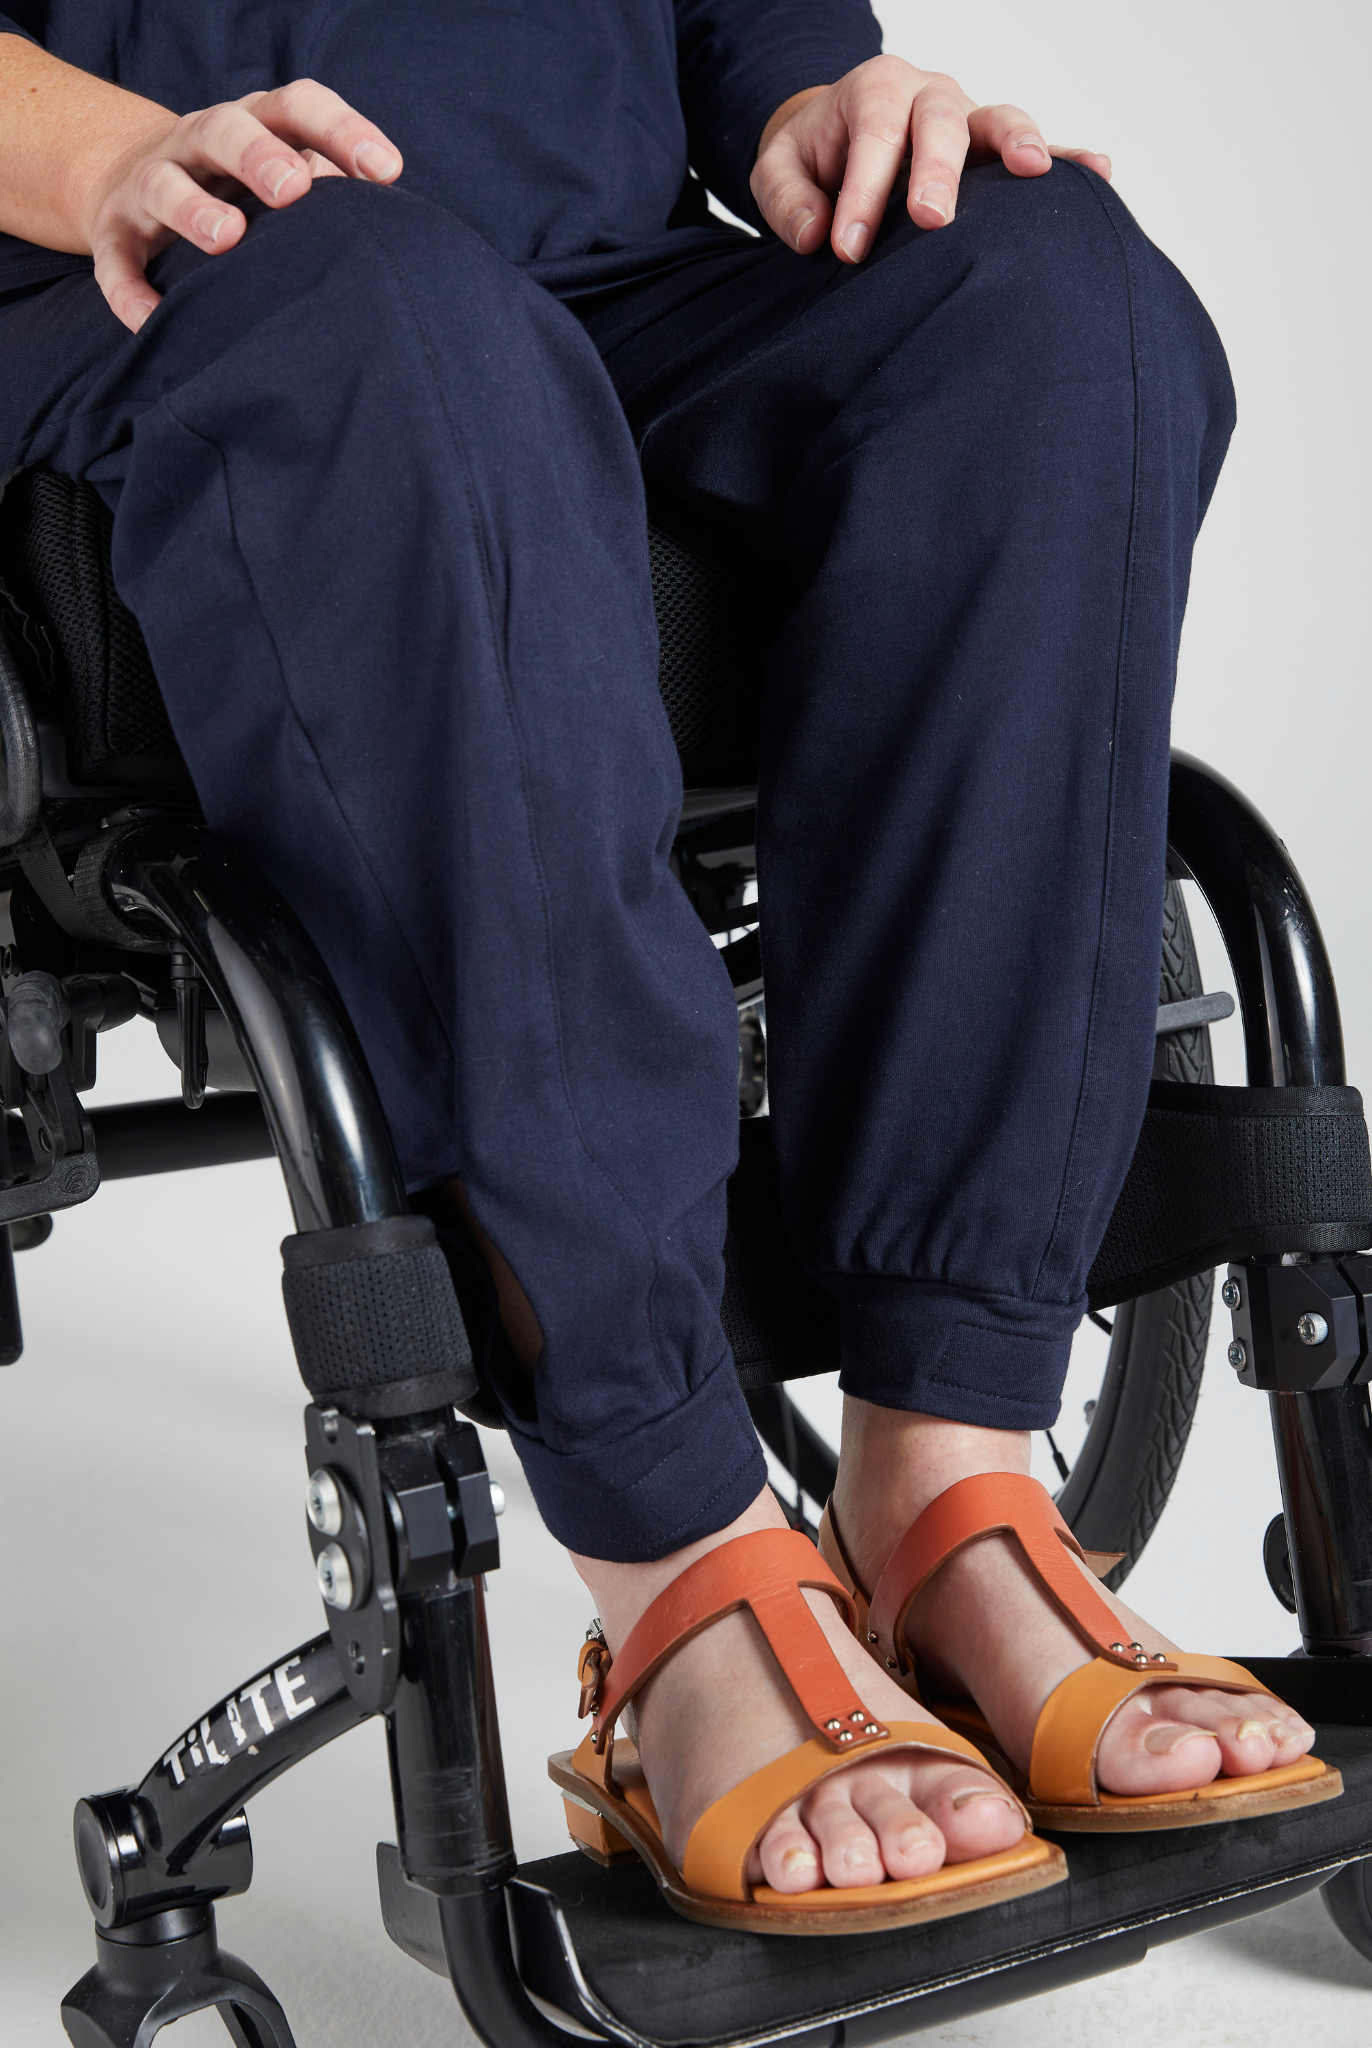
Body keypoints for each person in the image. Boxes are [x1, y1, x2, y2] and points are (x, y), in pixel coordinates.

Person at [0, 1, 1331, 1934]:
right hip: (164, 288)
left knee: (1053, 293)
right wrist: (104, 151)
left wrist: (817, 104)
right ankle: (678, 1560)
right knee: (390, 323)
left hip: (617, 293)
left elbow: (754, 36)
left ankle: (947, 1473)